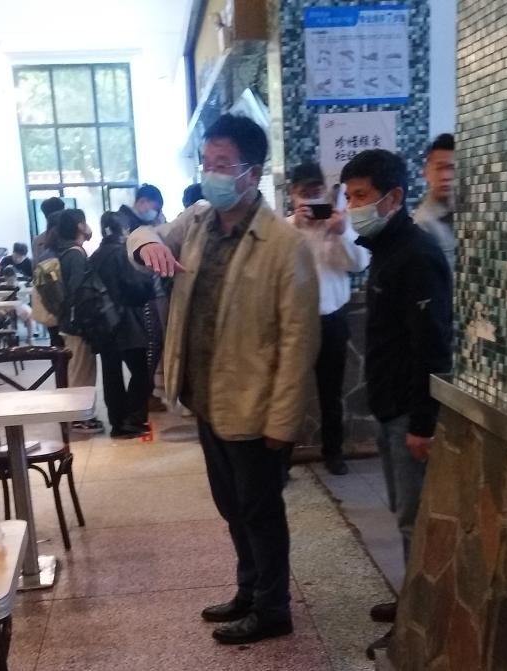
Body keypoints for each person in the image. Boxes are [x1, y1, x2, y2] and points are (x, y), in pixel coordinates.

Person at [128, 114, 319, 645]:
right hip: (207, 397)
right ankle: (249, 590)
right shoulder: (197, 222)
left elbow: (298, 341)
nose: (211, 173)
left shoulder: (284, 244)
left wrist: (283, 423)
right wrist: (146, 246)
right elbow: (141, 233)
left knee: (260, 511)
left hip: (254, 406)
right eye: (206, 163)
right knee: (232, 506)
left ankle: (273, 608)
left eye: (222, 164)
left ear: (251, 173)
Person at [340, 149, 453, 659]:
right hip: (391, 407)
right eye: (348, 196)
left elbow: (432, 345)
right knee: (402, 512)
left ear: (394, 197)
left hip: (410, 411)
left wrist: (423, 423)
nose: (353, 206)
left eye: (361, 195)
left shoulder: (416, 254)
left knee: (415, 520)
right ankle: (412, 601)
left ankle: (419, 622)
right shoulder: (386, 249)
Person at [287, 162, 370, 475]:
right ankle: (282, 459)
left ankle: (333, 453)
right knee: (290, 393)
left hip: (333, 319)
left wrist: (342, 233)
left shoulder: (340, 225)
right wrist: (296, 228)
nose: (311, 198)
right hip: (296, 323)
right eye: (304, 192)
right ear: (293, 195)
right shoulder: (284, 230)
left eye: (316, 191)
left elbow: (360, 264)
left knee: (331, 393)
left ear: (326, 191)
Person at [89, 211, 157, 438]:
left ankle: (117, 423)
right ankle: (134, 419)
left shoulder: (95, 256)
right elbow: (136, 285)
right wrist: (149, 284)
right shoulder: (122, 254)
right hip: (128, 323)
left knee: (111, 374)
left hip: (103, 324)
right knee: (141, 371)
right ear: (124, 230)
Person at [102, 183, 168, 412]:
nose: (155, 212)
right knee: (149, 346)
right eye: (155, 207)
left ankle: (137, 402)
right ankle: (142, 400)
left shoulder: (131, 222)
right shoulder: (130, 226)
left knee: (140, 351)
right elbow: (132, 270)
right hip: (135, 301)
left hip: (128, 302)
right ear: (143, 202)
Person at [56, 209, 105, 435]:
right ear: (79, 226)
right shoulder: (76, 254)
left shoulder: (65, 251)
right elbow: (77, 291)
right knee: (81, 372)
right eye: (84, 222)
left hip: (69, 321)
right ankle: (78, 418)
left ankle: (80, 415)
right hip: (77, 323)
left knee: (78, 369)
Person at [414, 133, 456, 274]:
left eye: (452, 168)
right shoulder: (422, 224)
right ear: (426, 172)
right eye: (440, 168)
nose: (445, 176)